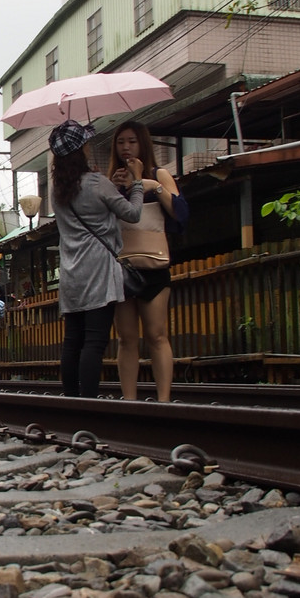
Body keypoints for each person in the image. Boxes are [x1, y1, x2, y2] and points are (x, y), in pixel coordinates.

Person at [50, 119, 143, 398]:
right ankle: (88, 401)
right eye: (86, 143)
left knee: (72, 341)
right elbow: (133, 213)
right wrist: (136, 182)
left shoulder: (57, 190)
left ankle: (71, 398)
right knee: (94, 340)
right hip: (99, 271)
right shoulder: (97, 183)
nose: (90, 146)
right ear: (81, 150)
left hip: (71, 272)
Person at [107, 119, 182, 403]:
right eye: (121, 142)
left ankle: (163, 401)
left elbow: (180, 214)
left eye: (132, 141)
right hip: (123, 268)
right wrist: (112, 192)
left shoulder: (159, 175)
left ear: (143, 143)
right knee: (126, 338)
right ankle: (130, 400)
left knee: (157, 334)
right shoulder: (111, 179)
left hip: (154, 265)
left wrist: (149, 185)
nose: (126, 147)